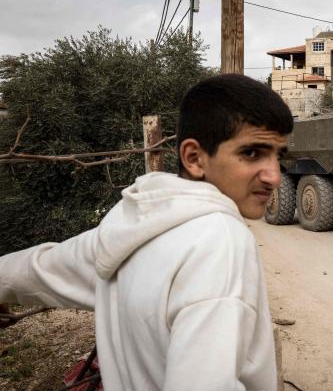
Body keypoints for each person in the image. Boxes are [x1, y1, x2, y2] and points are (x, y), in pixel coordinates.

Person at [0, 74, 294, 390]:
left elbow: (37, 269)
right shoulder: (220, 241)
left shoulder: (130, 225)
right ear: (194, 158)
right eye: (252, 153)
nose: (274, 176)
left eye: (279, 156)